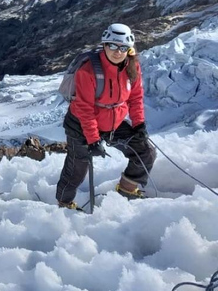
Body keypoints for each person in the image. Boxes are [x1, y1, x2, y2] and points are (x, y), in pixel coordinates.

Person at [55, 23, 156, 210]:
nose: (118, 52)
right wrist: (93, 140)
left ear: (129, 49)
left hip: (113, 123)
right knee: (77, 168)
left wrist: (139, 124)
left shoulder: (132, 67)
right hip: (80, 124)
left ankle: (127, 189)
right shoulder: (89, 70)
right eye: (113, 46)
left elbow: (135, 97)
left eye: (123, 47)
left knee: (145, 152)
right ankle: (64, 203)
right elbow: (84, 108)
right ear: (104, 45)